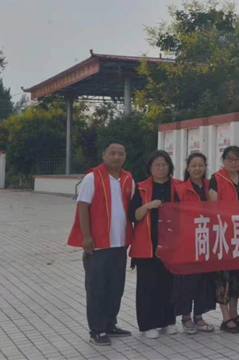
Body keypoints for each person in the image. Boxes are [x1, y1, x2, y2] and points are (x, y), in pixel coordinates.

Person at [67, 141, 134, 346]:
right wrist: (86, 236)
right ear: (104, 154)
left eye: (120, 153)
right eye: (112, 153)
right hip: (98, 245)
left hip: (120, 244)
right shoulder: (92, 177)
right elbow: (83, 207)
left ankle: (110, 324)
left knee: (116, 288)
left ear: (125, 156)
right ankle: (96, 329)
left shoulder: (128, 178)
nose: (116, 157)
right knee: (97, 289)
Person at [129, 150, 180, 339]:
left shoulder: (178, 187)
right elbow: (133, 215)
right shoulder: (140, 188)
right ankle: (147, 324)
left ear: (169, 167)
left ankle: (168, 321)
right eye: (157, 164)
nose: (161, 168)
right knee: (148, 285)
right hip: (147, 245)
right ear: (150, 167)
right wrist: (148, 206)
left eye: (164, 164)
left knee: (169, 284)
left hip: (172, 245)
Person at [207, 145, 239, 333]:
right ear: (223, 160)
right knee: (223, 276)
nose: (233, 162)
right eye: (229, 159)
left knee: (237, 276)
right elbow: (212, 207)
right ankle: (225, 317)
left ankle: (234, 314)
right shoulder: (216, 179)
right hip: (223, 234)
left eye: (237, 159)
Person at [171, 152, 216, 334]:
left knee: (203, 280)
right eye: (194, 165)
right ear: (188, 168)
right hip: (186, 241)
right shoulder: (180, 189)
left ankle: (199, 316)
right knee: (187, 281)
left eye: (201, 165)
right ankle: (186, 317)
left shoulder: (210, 187)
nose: (197, 169)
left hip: (206, 240)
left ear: (205, 168)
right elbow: (174, 215)